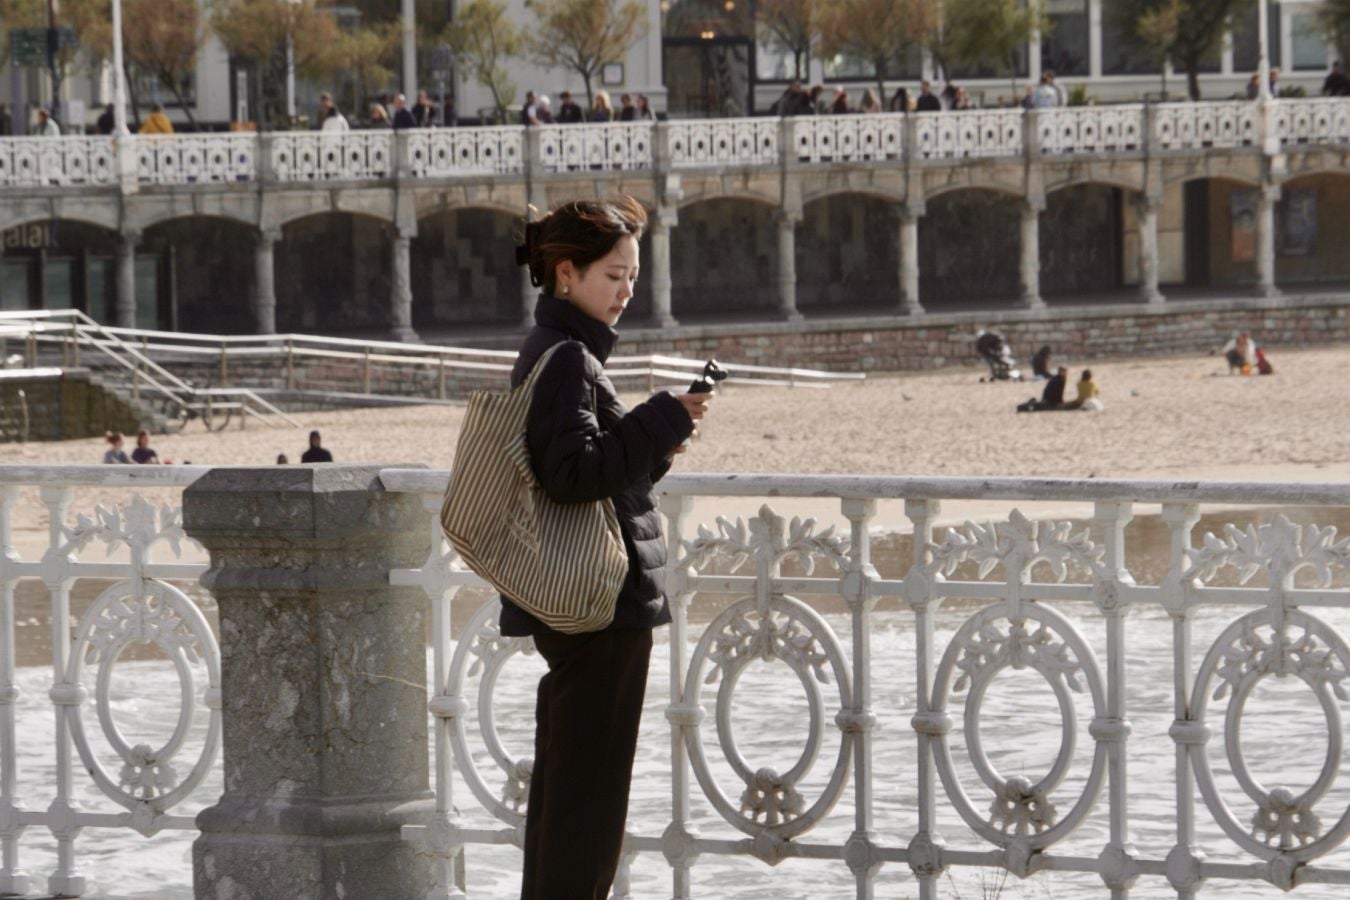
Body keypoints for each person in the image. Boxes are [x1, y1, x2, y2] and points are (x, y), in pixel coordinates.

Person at [510, 197, 709, 899]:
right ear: (566, 274)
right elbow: (571, 476)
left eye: (632, 277)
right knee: (586, 811)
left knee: (571, 797)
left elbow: (603, 475)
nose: (627, 292)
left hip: (584, 610)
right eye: (614, 276)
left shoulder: (561, 352)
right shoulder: (568, 359)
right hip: (599, 609)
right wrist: (655, 418)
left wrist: (660, 437)